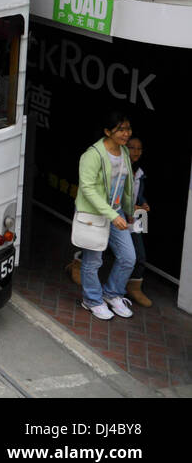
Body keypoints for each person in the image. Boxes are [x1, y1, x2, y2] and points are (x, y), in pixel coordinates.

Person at [76, 112, 137, 321]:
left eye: (128, 128)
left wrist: (128, 211)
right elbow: (87, 188)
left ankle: (112, 294)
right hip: (95, 214)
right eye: (120, 129)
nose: (126, 133)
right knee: (93, 261)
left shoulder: (124, 153)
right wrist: (112, 214)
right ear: (107, 131)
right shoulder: (92, 155)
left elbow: (125, 185)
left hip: (117, 212)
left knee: (129, 257)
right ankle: (92, 300)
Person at [123, 135, 153, 307]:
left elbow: (138, 195)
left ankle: (134, 287)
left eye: (139, 148)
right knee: (99, 246)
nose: (136, 151)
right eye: (132, 147)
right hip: (118, 214)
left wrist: (143, 203)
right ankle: (77, 265)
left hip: (136, 217)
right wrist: (130, 207)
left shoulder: (140, 172)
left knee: (140, 255)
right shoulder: (120, 168)